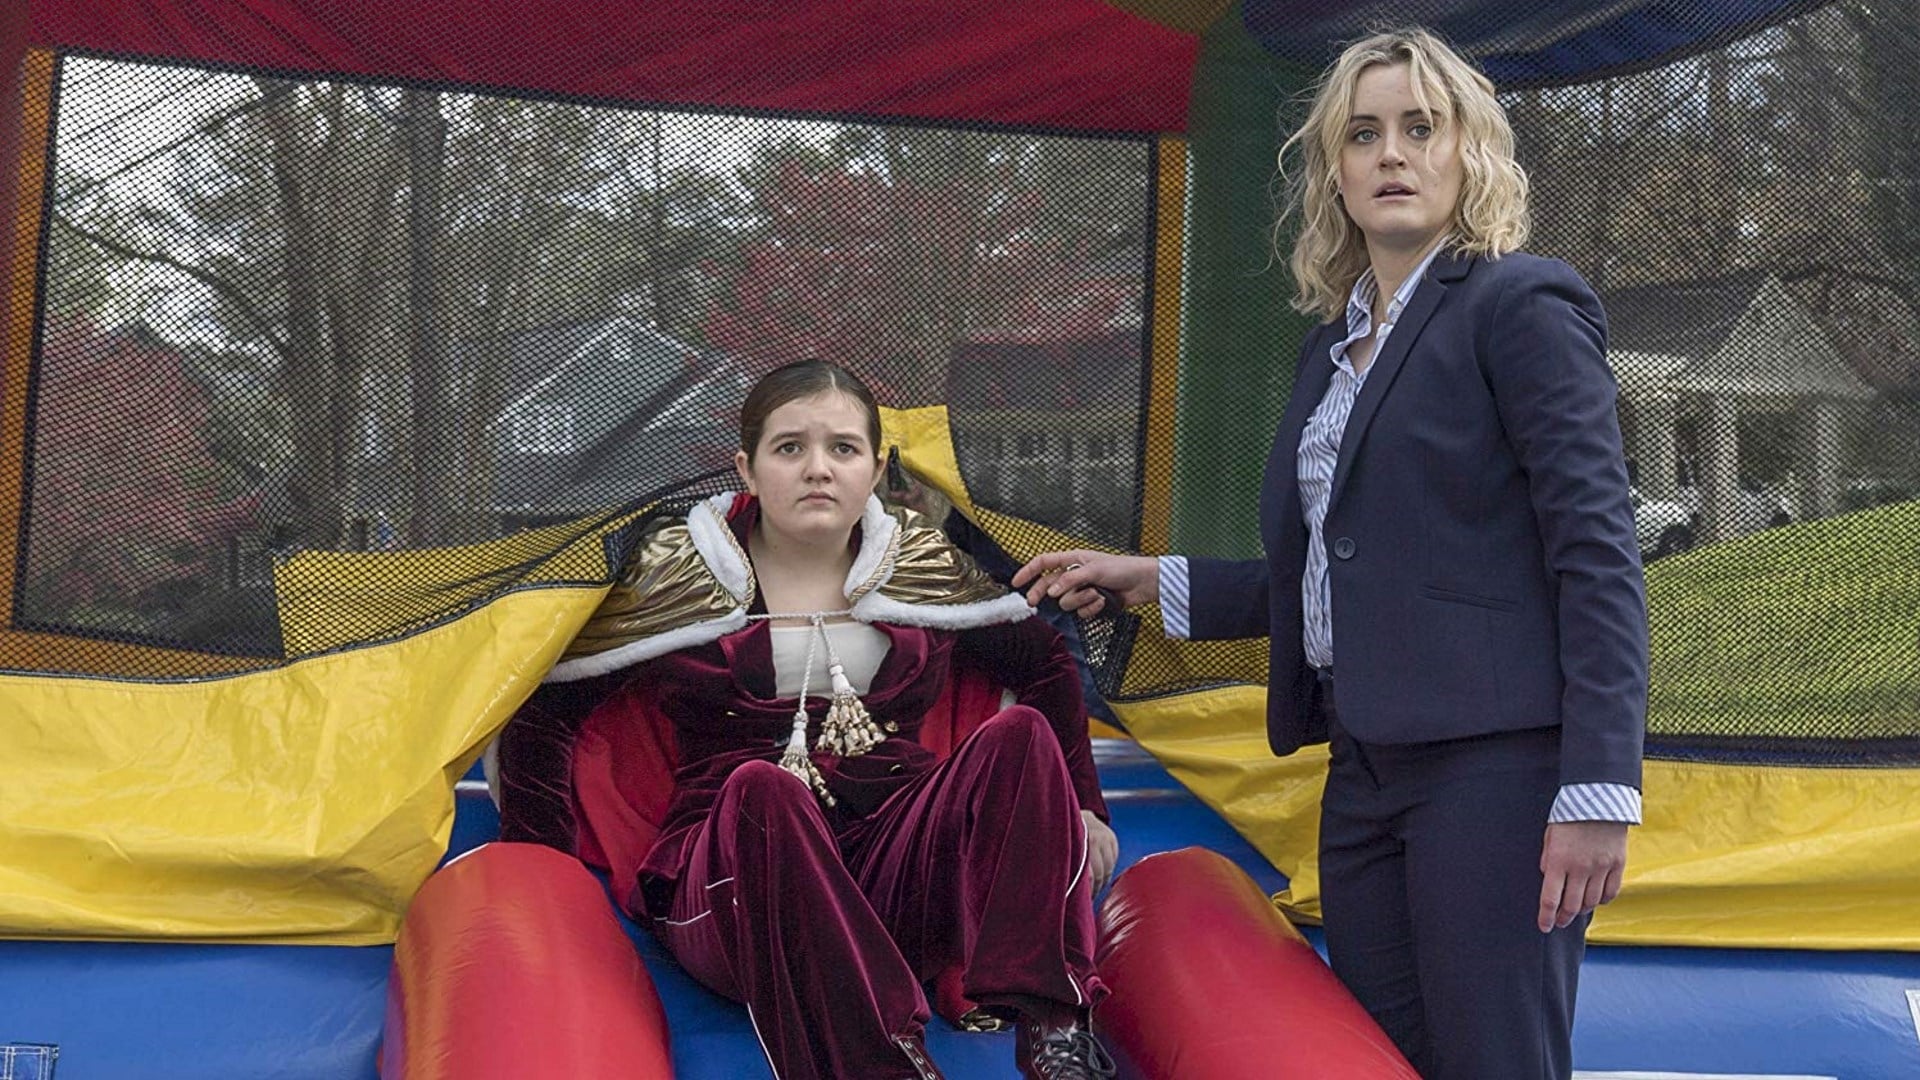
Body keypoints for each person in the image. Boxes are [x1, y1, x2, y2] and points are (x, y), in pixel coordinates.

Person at [1013, 27, 1647, 1080]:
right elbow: (1341, 573)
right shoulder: (1330, 349)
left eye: (1420, 128)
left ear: (1471, 153)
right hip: (1361, 768)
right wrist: (1151, 580)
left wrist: (1597, 790)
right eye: (1363, 134)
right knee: (1375, 1057)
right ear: (1334, 174)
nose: (1391, 153)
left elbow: (1598, 555)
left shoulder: (1519, 305)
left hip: (1494, 770)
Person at [494, 359, 1119, 1080]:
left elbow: (1044, 664)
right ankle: (882, 1064)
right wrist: (541, 869)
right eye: (790, 447)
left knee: (1019, 737)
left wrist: (1081, 805)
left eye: (842, 448)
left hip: (894, 867)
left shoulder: (921, 562)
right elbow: (546, 708)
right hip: (738, 882)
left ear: (876, 469)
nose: (817, 468)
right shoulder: (677, 570)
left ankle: (1055, 1031)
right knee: (766, 789)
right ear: (747, 468)